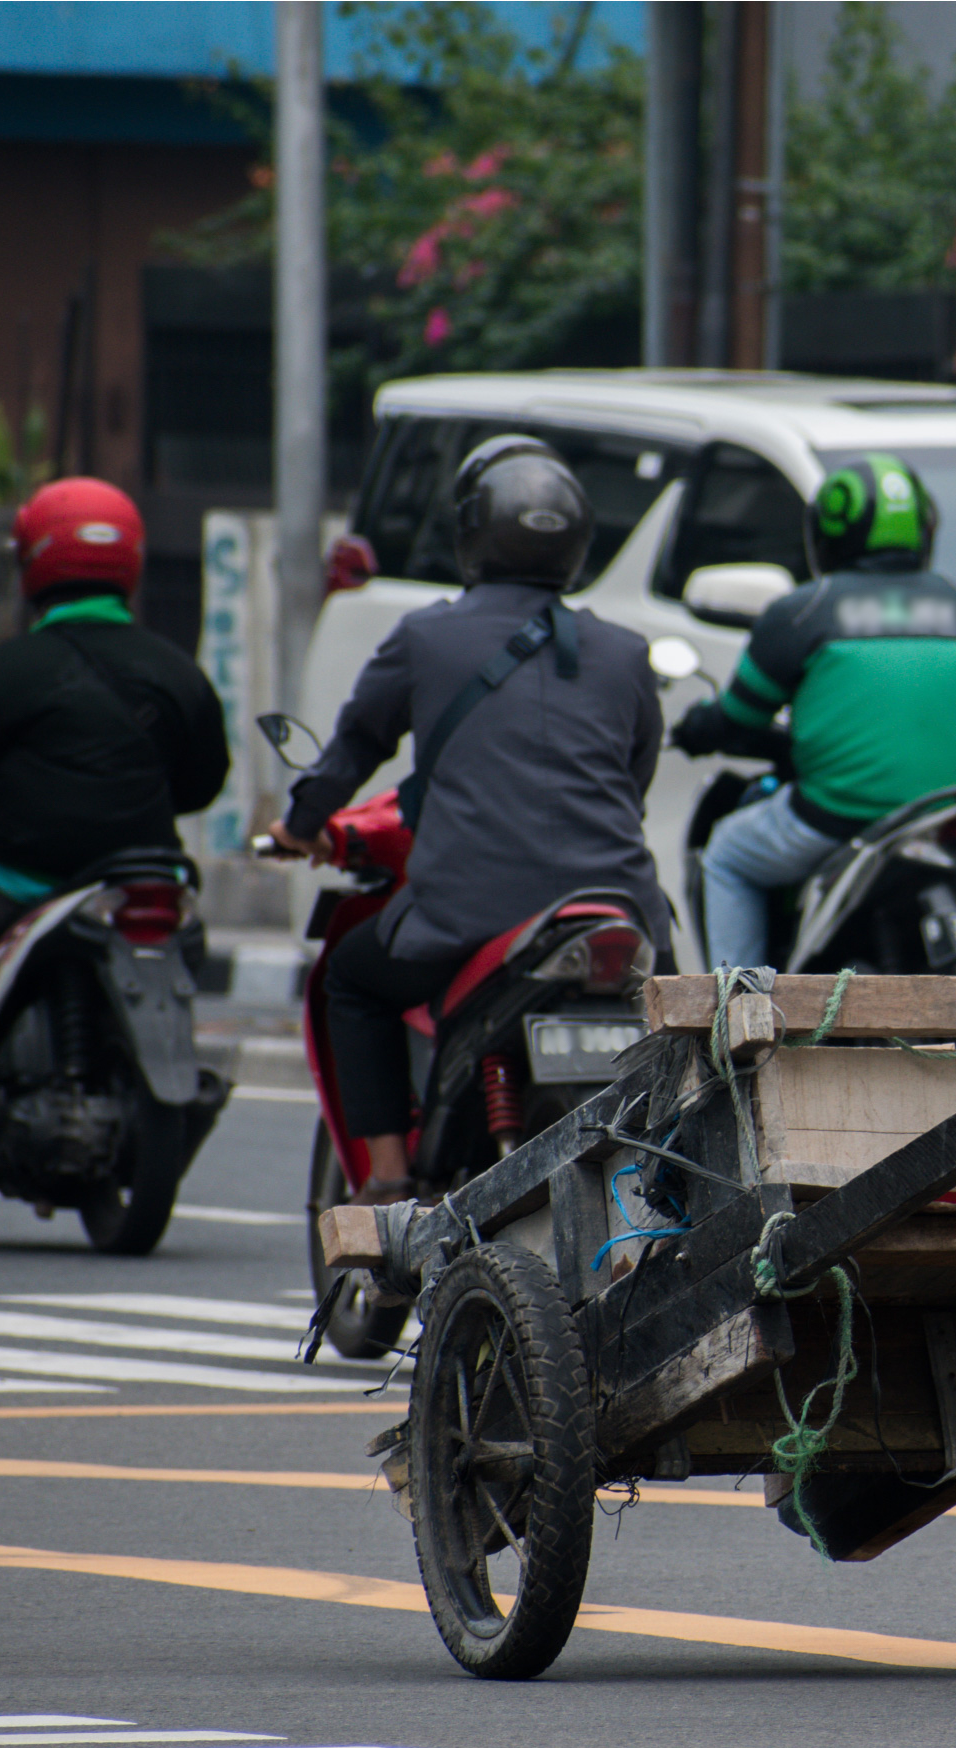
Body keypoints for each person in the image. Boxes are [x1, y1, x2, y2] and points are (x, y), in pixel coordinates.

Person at [267, 435, 665, 1203]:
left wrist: (301, 822)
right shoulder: (624, 652)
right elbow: (632, 779)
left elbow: (352, 748)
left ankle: (386, 1180)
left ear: (471, 533)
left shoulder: (425, 636)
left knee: (350, 976)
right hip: (621, 913)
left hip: (466, 920)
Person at [0, 477, 229, 1128]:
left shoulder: (2, 671)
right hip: (142, 880)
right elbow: (200, 786)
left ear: (32, 562)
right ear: (130, 563)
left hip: (20, 879)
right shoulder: (180, 673)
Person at [670, 453, 956, 970]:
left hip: (834, 819)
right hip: (941, 818)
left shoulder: (802, 610)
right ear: (924, 528)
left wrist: (697, 726)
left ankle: (737, 1018)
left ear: (827, 534)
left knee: (727, 856)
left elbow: (740, 716)